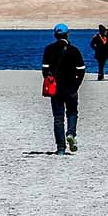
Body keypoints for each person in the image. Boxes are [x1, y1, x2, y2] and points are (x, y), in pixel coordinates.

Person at [42, 23, 86, 155]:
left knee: (58, 117)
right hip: (71, 87)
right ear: (67, 34)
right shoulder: (74, 50)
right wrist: (77, 84)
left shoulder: (49, 49)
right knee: (72, 112)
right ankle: (71, 133)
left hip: (55, 89)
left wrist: (50, 81)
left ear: (55, 35)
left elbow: (45, 70)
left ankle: (61, 148)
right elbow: (82, 70)